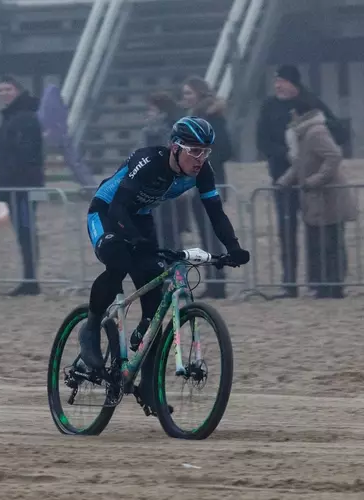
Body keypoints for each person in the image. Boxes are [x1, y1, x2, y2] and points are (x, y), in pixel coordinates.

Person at [78, 116, 250, 411]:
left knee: (155, 300)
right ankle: (91, 329)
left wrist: (233, 248)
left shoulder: (202, 172)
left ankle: (149, 385)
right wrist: (134, 240)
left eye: (205, 152)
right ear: (175, 148)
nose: (200, 159)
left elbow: (215, 212)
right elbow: (118, 205)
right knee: (118, 262)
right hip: (107, 213)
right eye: (194, 151)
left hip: (140, 218)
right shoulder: (149, 161)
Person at [256, 65, 347, 298]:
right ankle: (289, 282)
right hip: (283, 176)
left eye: (282, 81)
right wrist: (284, 153)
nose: (278, 85)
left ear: (294, 83)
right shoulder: (269, 106)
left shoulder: (311, 103)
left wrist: (315, 148)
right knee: (286, 230)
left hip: (312, 180)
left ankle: (320, 281)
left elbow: (339, 133)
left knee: (317, 231)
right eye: (276, 81)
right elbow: (262, 142)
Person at [276, 95, 357, 298]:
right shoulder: (304, 134)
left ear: (297, 113)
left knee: (331, 242)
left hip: (329, 197)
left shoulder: (315, 132)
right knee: (319, 242)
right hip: (317, 198)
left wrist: (315, 180)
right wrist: (284, 182)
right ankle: (322, 284)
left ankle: (334, 285)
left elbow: (333, 156)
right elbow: (300, 165)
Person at [0, 75, 44, 296]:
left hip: (23, 186)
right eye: (1, 90)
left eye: (8, 89)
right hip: (14, 185)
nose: (4, 93)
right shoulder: (12, 117)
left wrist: (16, 177)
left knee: (26, 230)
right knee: (23, 231)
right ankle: (28, 277)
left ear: (18, 91)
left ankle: (31, 278)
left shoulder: (24, 117)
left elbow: (27, 153)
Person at [180, 76, 233, 299]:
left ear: (199, 94)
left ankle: (217, 283)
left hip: (210, 182)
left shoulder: (212, 119)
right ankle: (212, 281)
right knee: (206, 235)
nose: (185, 98)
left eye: (188, 93)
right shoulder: (194, 119)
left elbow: (226, 149)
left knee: (213, 235)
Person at [136, 90, 189, 251]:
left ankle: (178, 276)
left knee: (172, 236)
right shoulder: (146, 133)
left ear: (161, 111)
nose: (147, 114)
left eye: (151, 109)